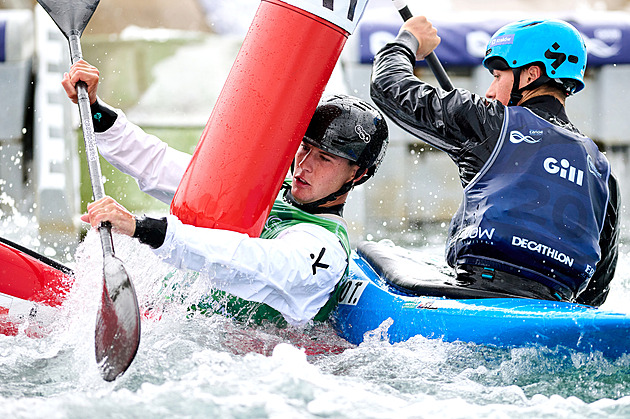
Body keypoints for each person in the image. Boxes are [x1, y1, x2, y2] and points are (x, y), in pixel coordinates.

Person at [62, 60, 389, 326]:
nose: (304, 165)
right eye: (304, 148)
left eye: (324, 158)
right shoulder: (268, 192)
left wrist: (142, 228)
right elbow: (160, 165)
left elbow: (249, 259)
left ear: (357, 175)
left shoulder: (325, 250)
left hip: (241, 359)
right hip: (176, 322)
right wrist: (93, 108)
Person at [370, 17, 619, 306]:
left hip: (476, 294)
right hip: (555, 310)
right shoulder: (602, 171)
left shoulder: (489, 121)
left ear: (530, 75)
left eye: (498, 76)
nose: (489, 90)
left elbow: (387, 85)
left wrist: (408, 39)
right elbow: (595, 292)